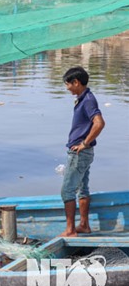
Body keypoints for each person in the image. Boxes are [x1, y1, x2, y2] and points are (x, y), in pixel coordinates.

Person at [59, 67, 105, 237]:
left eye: (68, 84)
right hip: (84, 153)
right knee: (82, 188)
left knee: (67, 190)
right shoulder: (84, 98)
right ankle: (84, 225)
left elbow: (99, 123)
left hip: (80, 153)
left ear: (76, 82)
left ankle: (70, 230)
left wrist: (84, 143)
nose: (67, 88)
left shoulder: (88, 100)